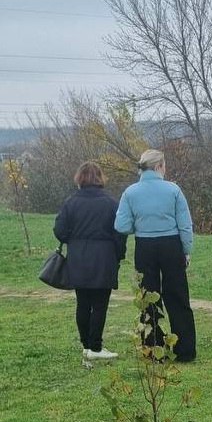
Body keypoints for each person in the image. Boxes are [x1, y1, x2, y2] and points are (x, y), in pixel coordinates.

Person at [114, 149, 196, 362]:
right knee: (178, 296)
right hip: (171, 245)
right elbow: (185, 226)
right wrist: (186, 250)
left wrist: (139, 224)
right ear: (160, 166)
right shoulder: (173, 190)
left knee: (148, 296)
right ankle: (185, 350)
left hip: (145, 246)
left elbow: (121, 225)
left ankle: (152, 348)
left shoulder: (130, 192)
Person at [54, 162, 126, 361]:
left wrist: (73, 240)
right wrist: (119, 254)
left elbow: (59, 230)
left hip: (78, 256)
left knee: (82, 303)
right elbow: (120, 233)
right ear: (100, 178)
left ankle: (86, 344)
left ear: (80, 178)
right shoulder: (111, 203)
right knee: (100, 304)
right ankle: (95, 347)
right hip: (104, 256)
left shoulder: (71, 202)